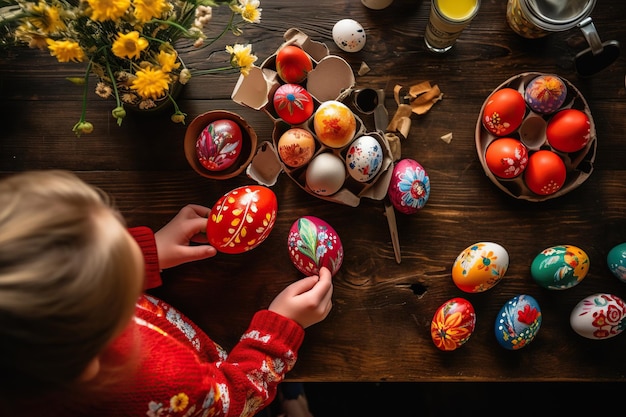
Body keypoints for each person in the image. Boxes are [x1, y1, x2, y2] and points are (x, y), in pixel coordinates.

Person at [0, 170, 333, 417]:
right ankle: (291, 404)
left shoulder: (34, 327)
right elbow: (230, 400)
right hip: (221, 377)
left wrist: (145, 255)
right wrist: (276, 333)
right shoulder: (164, 385)